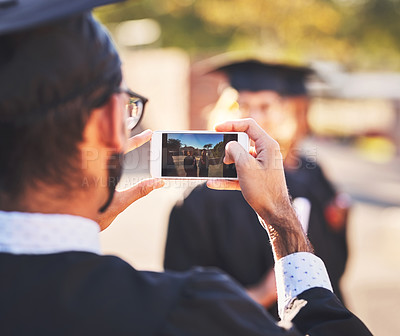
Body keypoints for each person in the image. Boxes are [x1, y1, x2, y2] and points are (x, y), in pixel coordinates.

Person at [0, 1, 371, 335]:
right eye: (126, 109)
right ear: (106, 126)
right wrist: (282, 221)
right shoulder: (184, 311)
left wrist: (72, 219)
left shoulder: (315, 175)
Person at [164, 59, 350, 315]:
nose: (254, 117)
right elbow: (184, 294)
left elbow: (334, 270)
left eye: (265, 106)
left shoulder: (312, 174)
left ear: (288, 110)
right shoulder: (204, 198)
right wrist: (261, 293)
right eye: (243, 105)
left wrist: (338, 223)